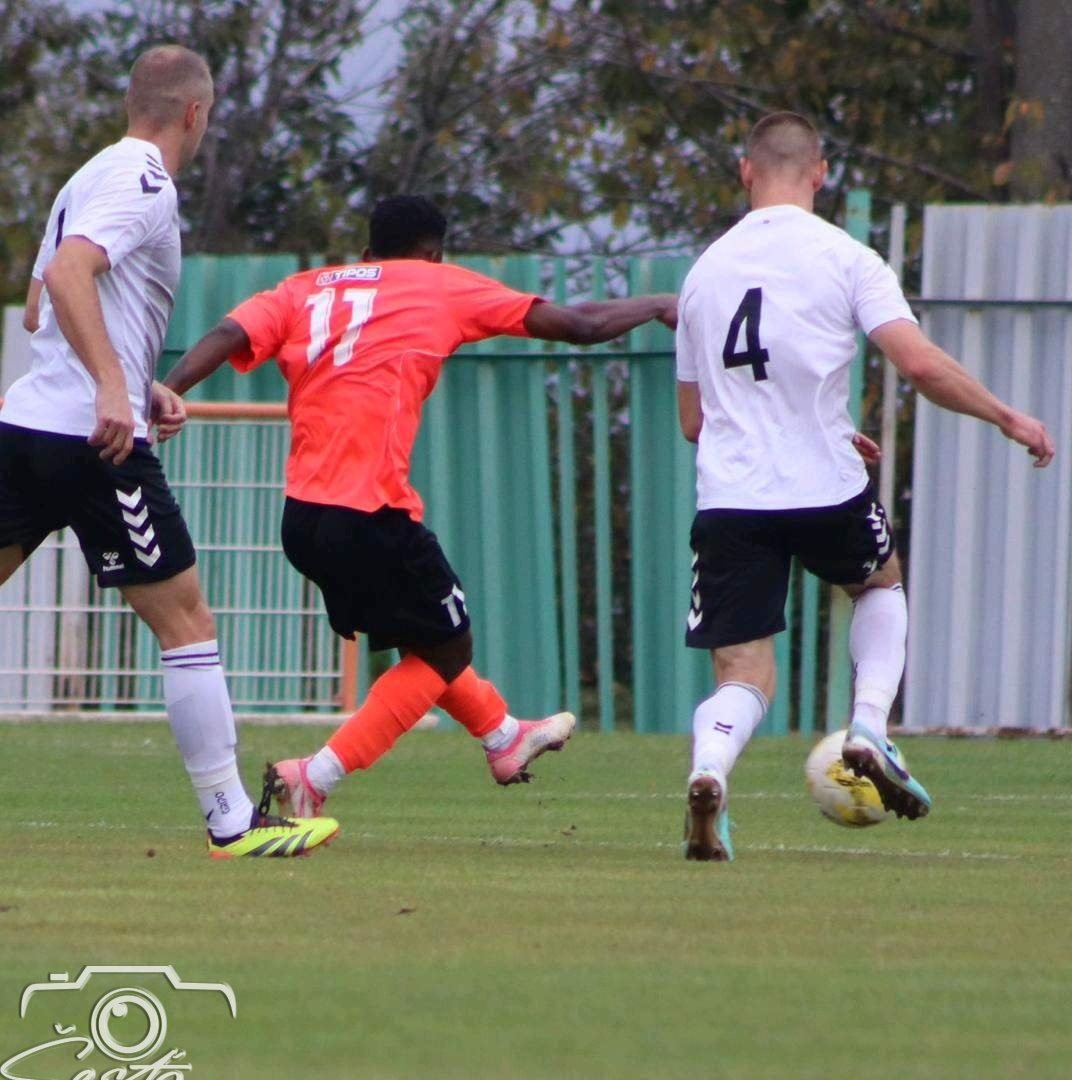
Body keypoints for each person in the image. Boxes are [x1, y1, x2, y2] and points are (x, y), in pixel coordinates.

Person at [163, 195, 677, 821]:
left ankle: (503, 736)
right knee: (447, 648)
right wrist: (657, 304)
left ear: (367, 252)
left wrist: (169, 388)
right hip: (371, 514)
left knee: (428, 640)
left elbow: (228, 334)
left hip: (303, 520)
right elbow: (579, 324)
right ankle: (314, 777)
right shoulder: (437, 283)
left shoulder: (304, 288)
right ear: (433, 254)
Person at [673, 112, 1055, 861]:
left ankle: (709, 769)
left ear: (746, 172)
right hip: (826, 487)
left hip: (733, 498)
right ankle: (871, 726)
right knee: (879, 584)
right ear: (820, 174)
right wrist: (1006, 416)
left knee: (743, 671)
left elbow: (695, 420)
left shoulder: (703, 274)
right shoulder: (847, 257)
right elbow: (918, 364)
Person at [0, 46, 339, 858]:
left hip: (29, 425)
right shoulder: (145, 181)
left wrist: (135, 377)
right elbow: (71, 276)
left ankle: (232, 817)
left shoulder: (87, 175)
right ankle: (232, 820)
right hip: (95, 442)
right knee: (187, 620)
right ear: (195, 113)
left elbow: (40, 303)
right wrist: (113, 386)